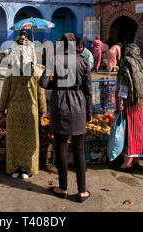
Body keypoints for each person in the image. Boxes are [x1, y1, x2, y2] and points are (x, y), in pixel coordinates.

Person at [39, 33, 93, 203]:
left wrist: (60, 84)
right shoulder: (83, 61)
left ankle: (62, 188)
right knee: (79, 149)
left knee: (61, 147)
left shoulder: (53, 59)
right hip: (79, 105)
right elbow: (89, 90)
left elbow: (43, 83)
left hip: (60, 105)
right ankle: (82, 191)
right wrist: (89, 113)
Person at [0, 38, 47, 179]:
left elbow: (5, 92)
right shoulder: (36, 71)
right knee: (30, 142)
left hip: (14, 112)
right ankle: (27, 169)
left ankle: (14, 169)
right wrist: (43, 110)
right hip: (30, 113)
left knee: (14, 142)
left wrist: (2, 109)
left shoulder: (11, 71)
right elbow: (41, 93)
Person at [116, 44, 143, 171]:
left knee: (129, 130)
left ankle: (127, 163)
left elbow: (124, 86)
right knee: (139, 130)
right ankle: (137, 159)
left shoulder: (126, 63)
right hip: (140, 103)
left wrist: (121, 102)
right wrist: (142, 101)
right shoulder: (142, 64)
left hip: (129, 103)